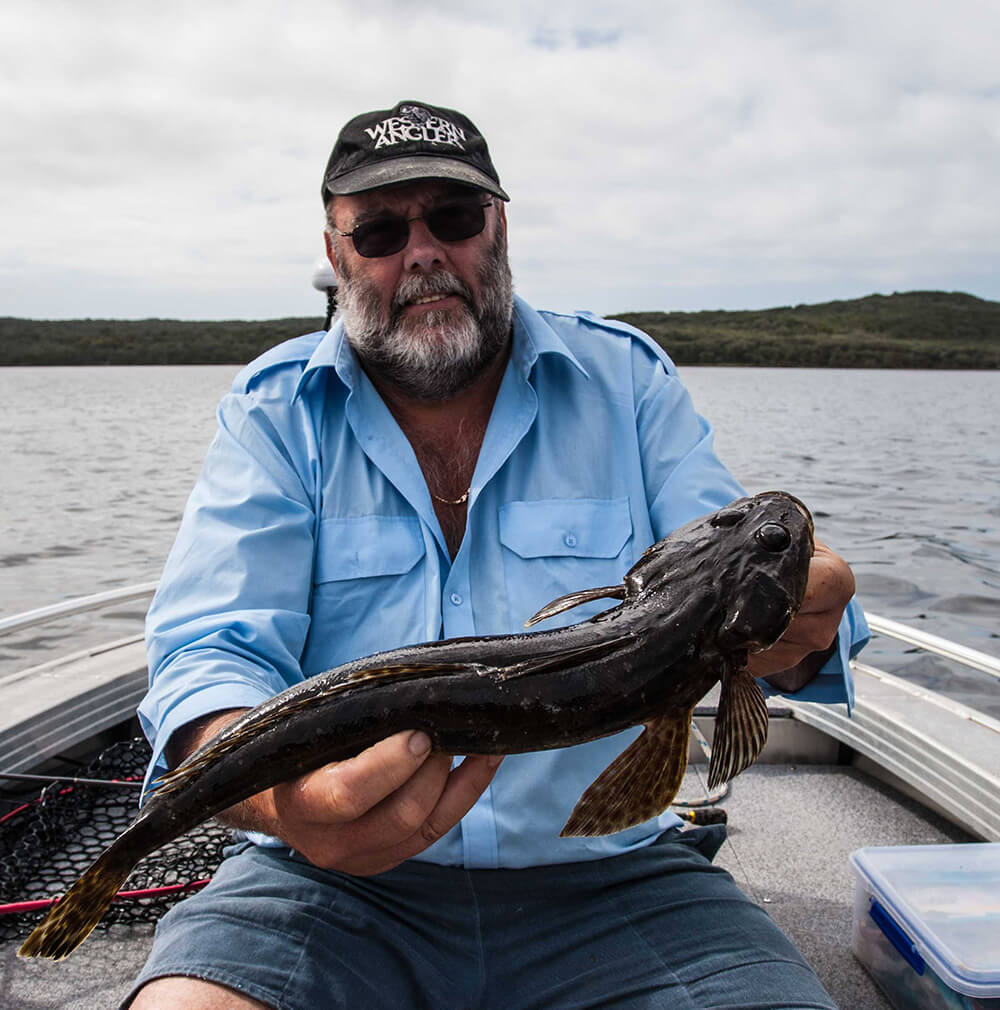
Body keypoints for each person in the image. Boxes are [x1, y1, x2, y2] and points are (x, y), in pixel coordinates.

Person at [126, 100, 868, 1009]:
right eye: (382, 230)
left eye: (454, 217)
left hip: (612, 882)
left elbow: (747, 569)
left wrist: (811, 628)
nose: (423, 251)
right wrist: (288, 808)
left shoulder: (627, 381)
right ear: (335, 255)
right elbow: (210, 654)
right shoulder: (276, 411)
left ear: (499, 227)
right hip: (322, 885)